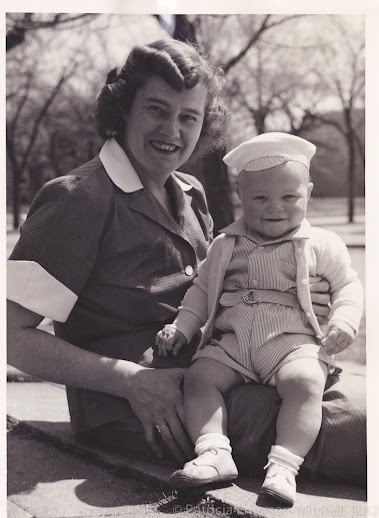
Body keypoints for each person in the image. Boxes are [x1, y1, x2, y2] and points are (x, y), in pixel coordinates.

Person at [7, 40, 365, 486]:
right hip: (145, 407)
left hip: (226, 371)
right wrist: (130, 381)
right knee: (360, 428)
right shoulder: (78, 198)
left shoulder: (191, 192)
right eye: (157, 110)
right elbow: (11, 337)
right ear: (123, 111)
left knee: (337, 395)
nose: (172, 130)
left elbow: (214, 293)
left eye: (188, 117)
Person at [156, 132, 363, 505]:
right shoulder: (225, 244)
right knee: (200, 377)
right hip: (234, 341)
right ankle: (214, 452)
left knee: (304, 383)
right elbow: (201, 291)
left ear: (309, 193)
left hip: (291, 341)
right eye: (260, 198)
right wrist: (182, 327)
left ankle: (284, 465)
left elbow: (348, 285)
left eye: (289, 197)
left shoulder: (321, 243)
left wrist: (345, 321)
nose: (275, 208)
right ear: (240, 196)